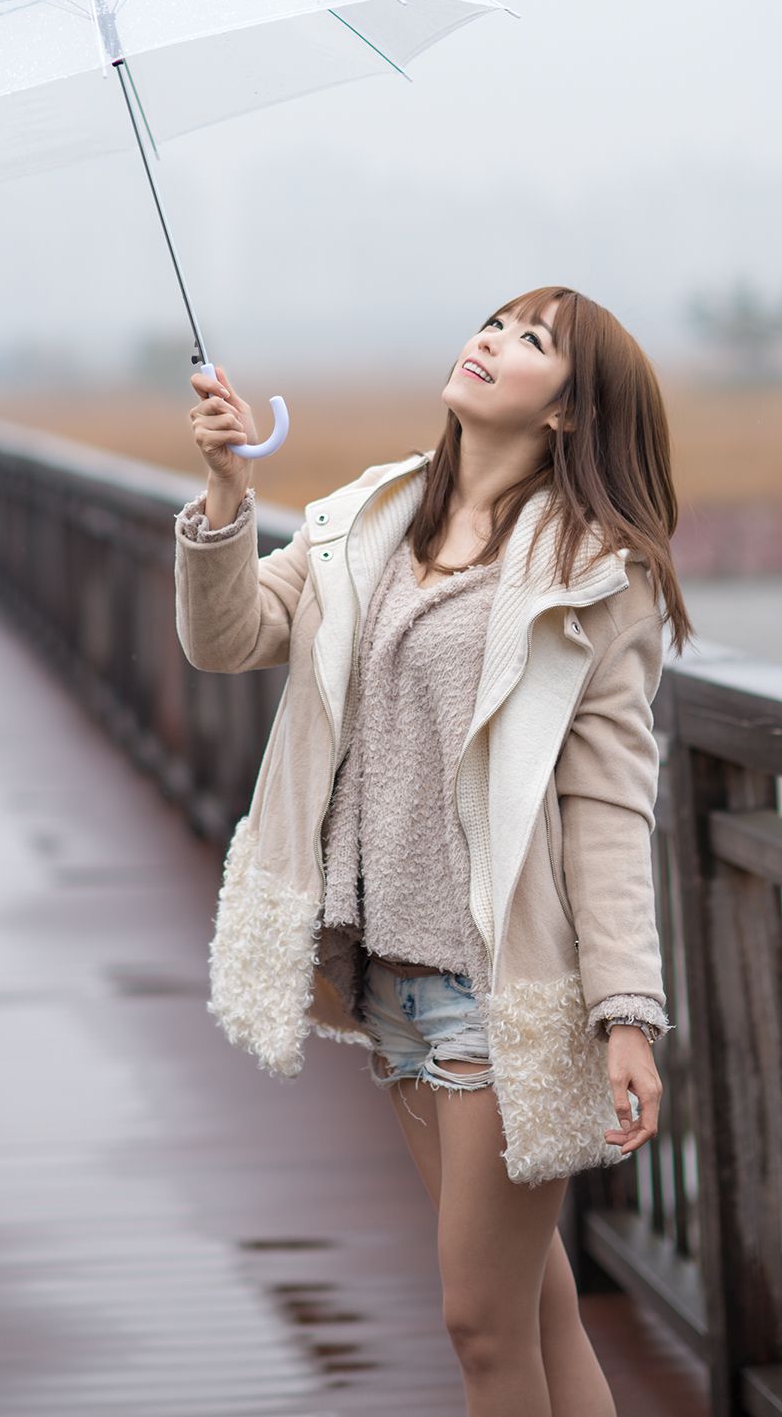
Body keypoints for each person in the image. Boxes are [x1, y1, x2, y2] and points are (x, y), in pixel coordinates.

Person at [174, 286, 692, 1417]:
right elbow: (228, 638)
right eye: (494, 323)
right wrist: (228, 493)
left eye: (532, 340)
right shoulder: (369, 519)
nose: (492, 341)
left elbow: (608, 809)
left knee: (480, 1324)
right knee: (534, 1310)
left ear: (567, 412)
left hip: (500, 988)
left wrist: (626, 1012)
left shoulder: (599, 576)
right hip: (394, 976)